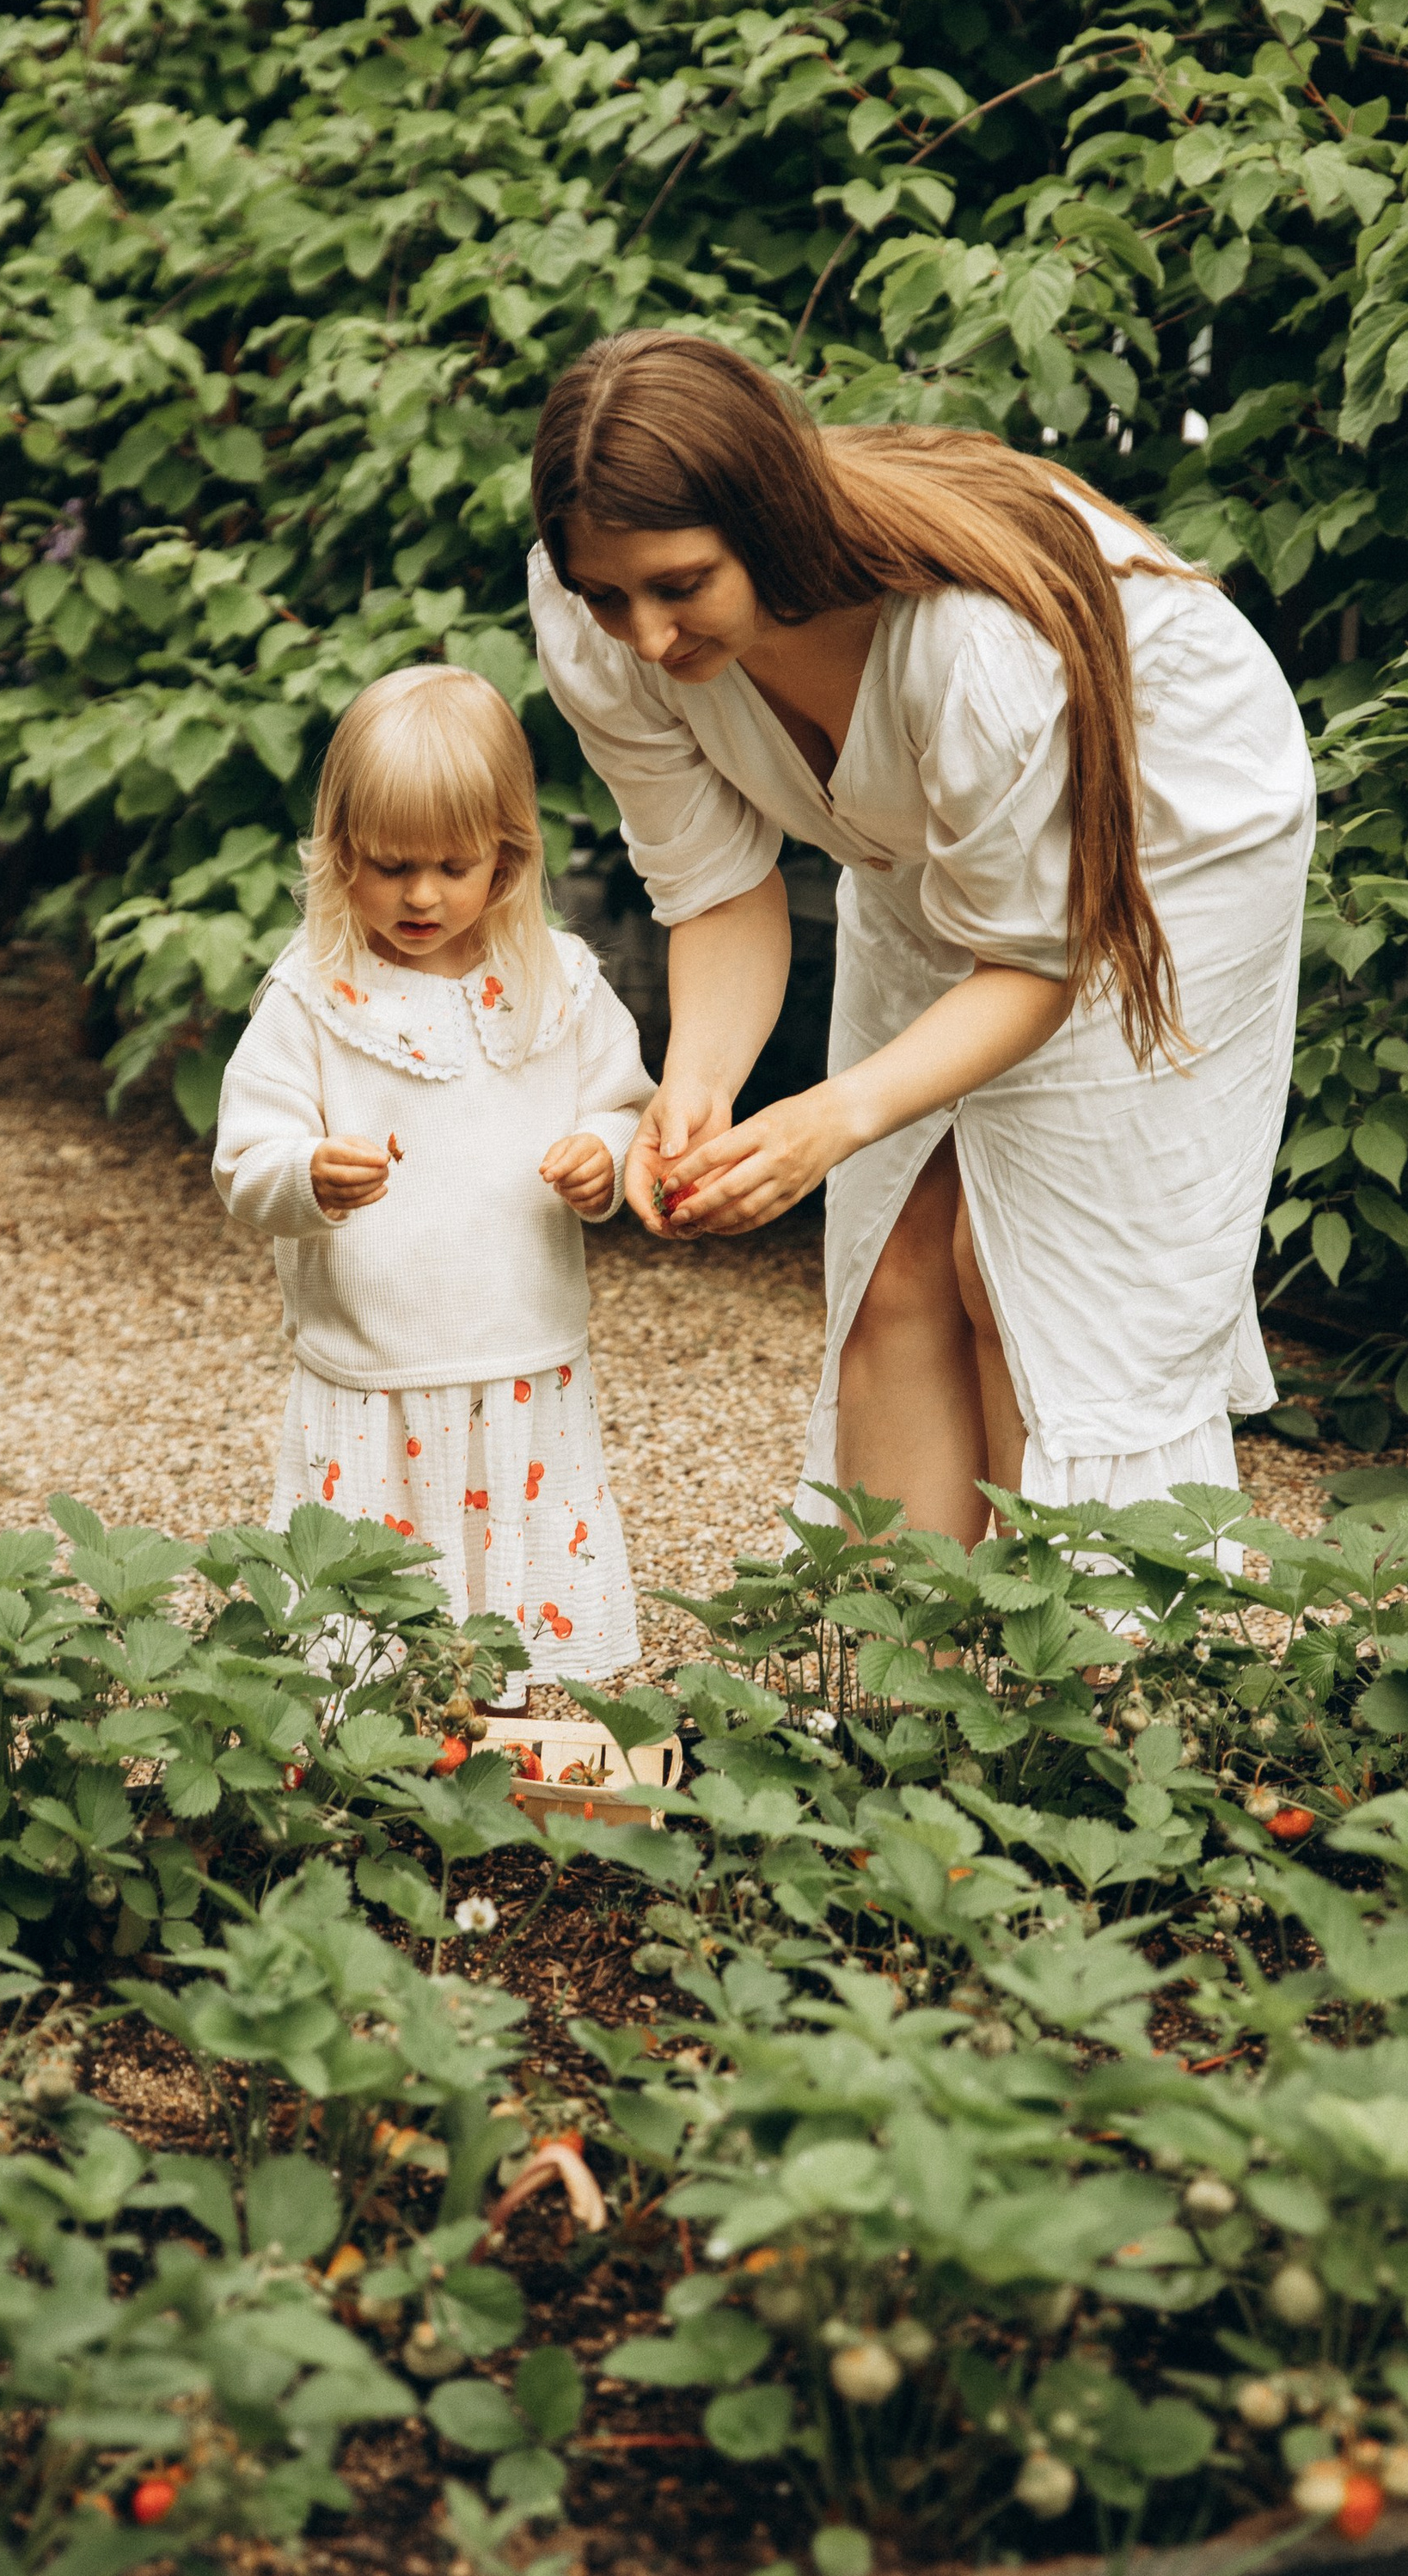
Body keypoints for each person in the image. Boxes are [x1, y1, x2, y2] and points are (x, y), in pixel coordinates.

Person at [527, 331, 1316, 1546]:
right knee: (895, 1268)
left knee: (1033, 1287)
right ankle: (896, 1698)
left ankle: (1089, 1697)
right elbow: (718, 890)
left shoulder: (971, 645)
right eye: (607, 594)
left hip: (1172, 825)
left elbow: (1037, 962)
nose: (645, 637)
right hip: (931, 837)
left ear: (773, 524)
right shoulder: (603, 625)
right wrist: (701, 1087)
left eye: (680, 586)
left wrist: (832, 1113)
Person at [213, 663, 651, 1691]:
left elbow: (624, 1104)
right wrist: (309, 1175)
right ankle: (370, 1751)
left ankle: (514, 1741)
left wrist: (606, 1160)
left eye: (454, 865)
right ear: (337, 855)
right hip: (375, 1368)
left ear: (507, 856)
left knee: (516, 1593)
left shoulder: (558, 980)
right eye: (389, 865)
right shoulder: (316, 995)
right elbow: (245, 1162)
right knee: (370, 1609)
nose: (420, 895)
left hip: (522, 1357)